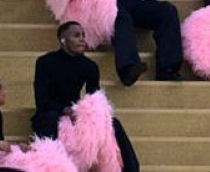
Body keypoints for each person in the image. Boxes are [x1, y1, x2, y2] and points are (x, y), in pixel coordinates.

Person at [31, 21, 140, 172]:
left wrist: (88, 114)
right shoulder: (45, 62)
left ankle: (132, 169)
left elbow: (93, 98)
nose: (82, 39)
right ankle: (50, 165)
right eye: (76, 36)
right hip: (51, 111)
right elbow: (41, 100)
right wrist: (65, 110)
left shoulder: (89, 66)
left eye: (83, 35)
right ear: (63, 40)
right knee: (49, 117)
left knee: (113, 122)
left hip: (76, 114)